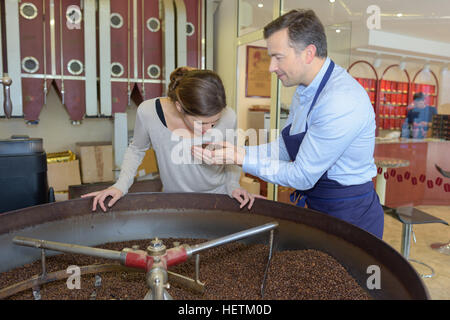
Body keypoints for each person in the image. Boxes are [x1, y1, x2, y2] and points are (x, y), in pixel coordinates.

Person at [192, 9, 384, 239]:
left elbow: (302, 176)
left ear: (308, 53)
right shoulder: (303, 91)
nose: (271, 67)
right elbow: (283, 149)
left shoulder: (340, 100)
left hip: (350, 214)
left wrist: (240, 159)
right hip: (319, 206)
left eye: (278, 57)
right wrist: (237, 151)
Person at [83, 67, 263, 211]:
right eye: (201, 123)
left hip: (219, 197)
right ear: (179, 107)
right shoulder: (148, 112)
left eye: (214, 123)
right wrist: (120, 185)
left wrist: (233, 185)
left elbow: (231, 157)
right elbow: (137, 149)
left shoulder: (229, 116)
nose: (208, 130)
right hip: (174, 200)